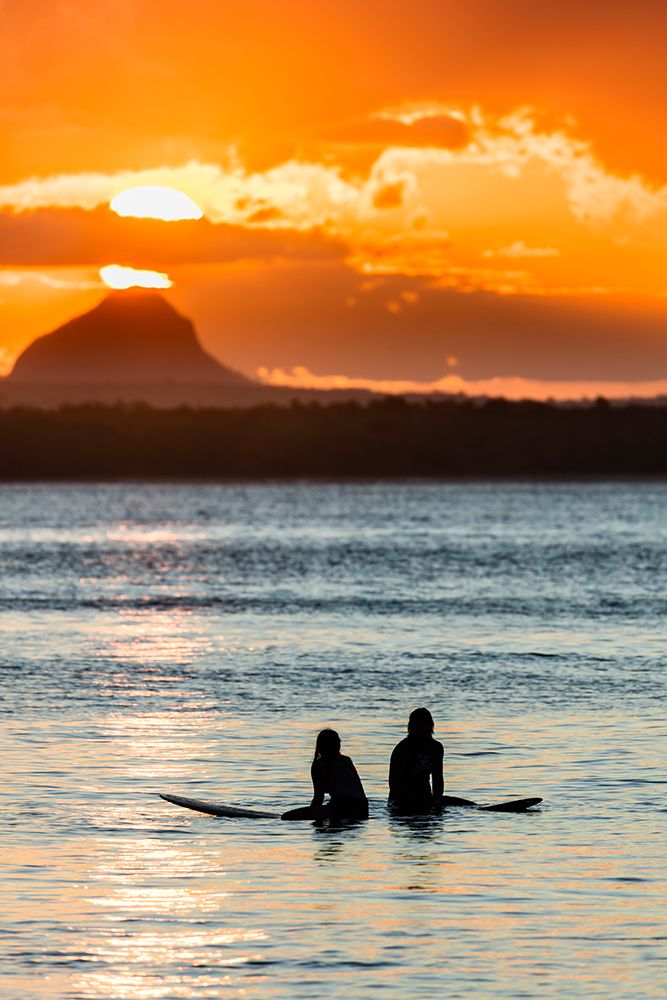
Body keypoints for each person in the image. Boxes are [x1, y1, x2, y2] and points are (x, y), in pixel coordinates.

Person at [281, 728, 369, 821]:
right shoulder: (346, 760)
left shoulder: (320, 764)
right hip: (362, 808)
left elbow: (318, 798)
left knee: (286, 817)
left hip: (341, 809)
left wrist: (313, 816)